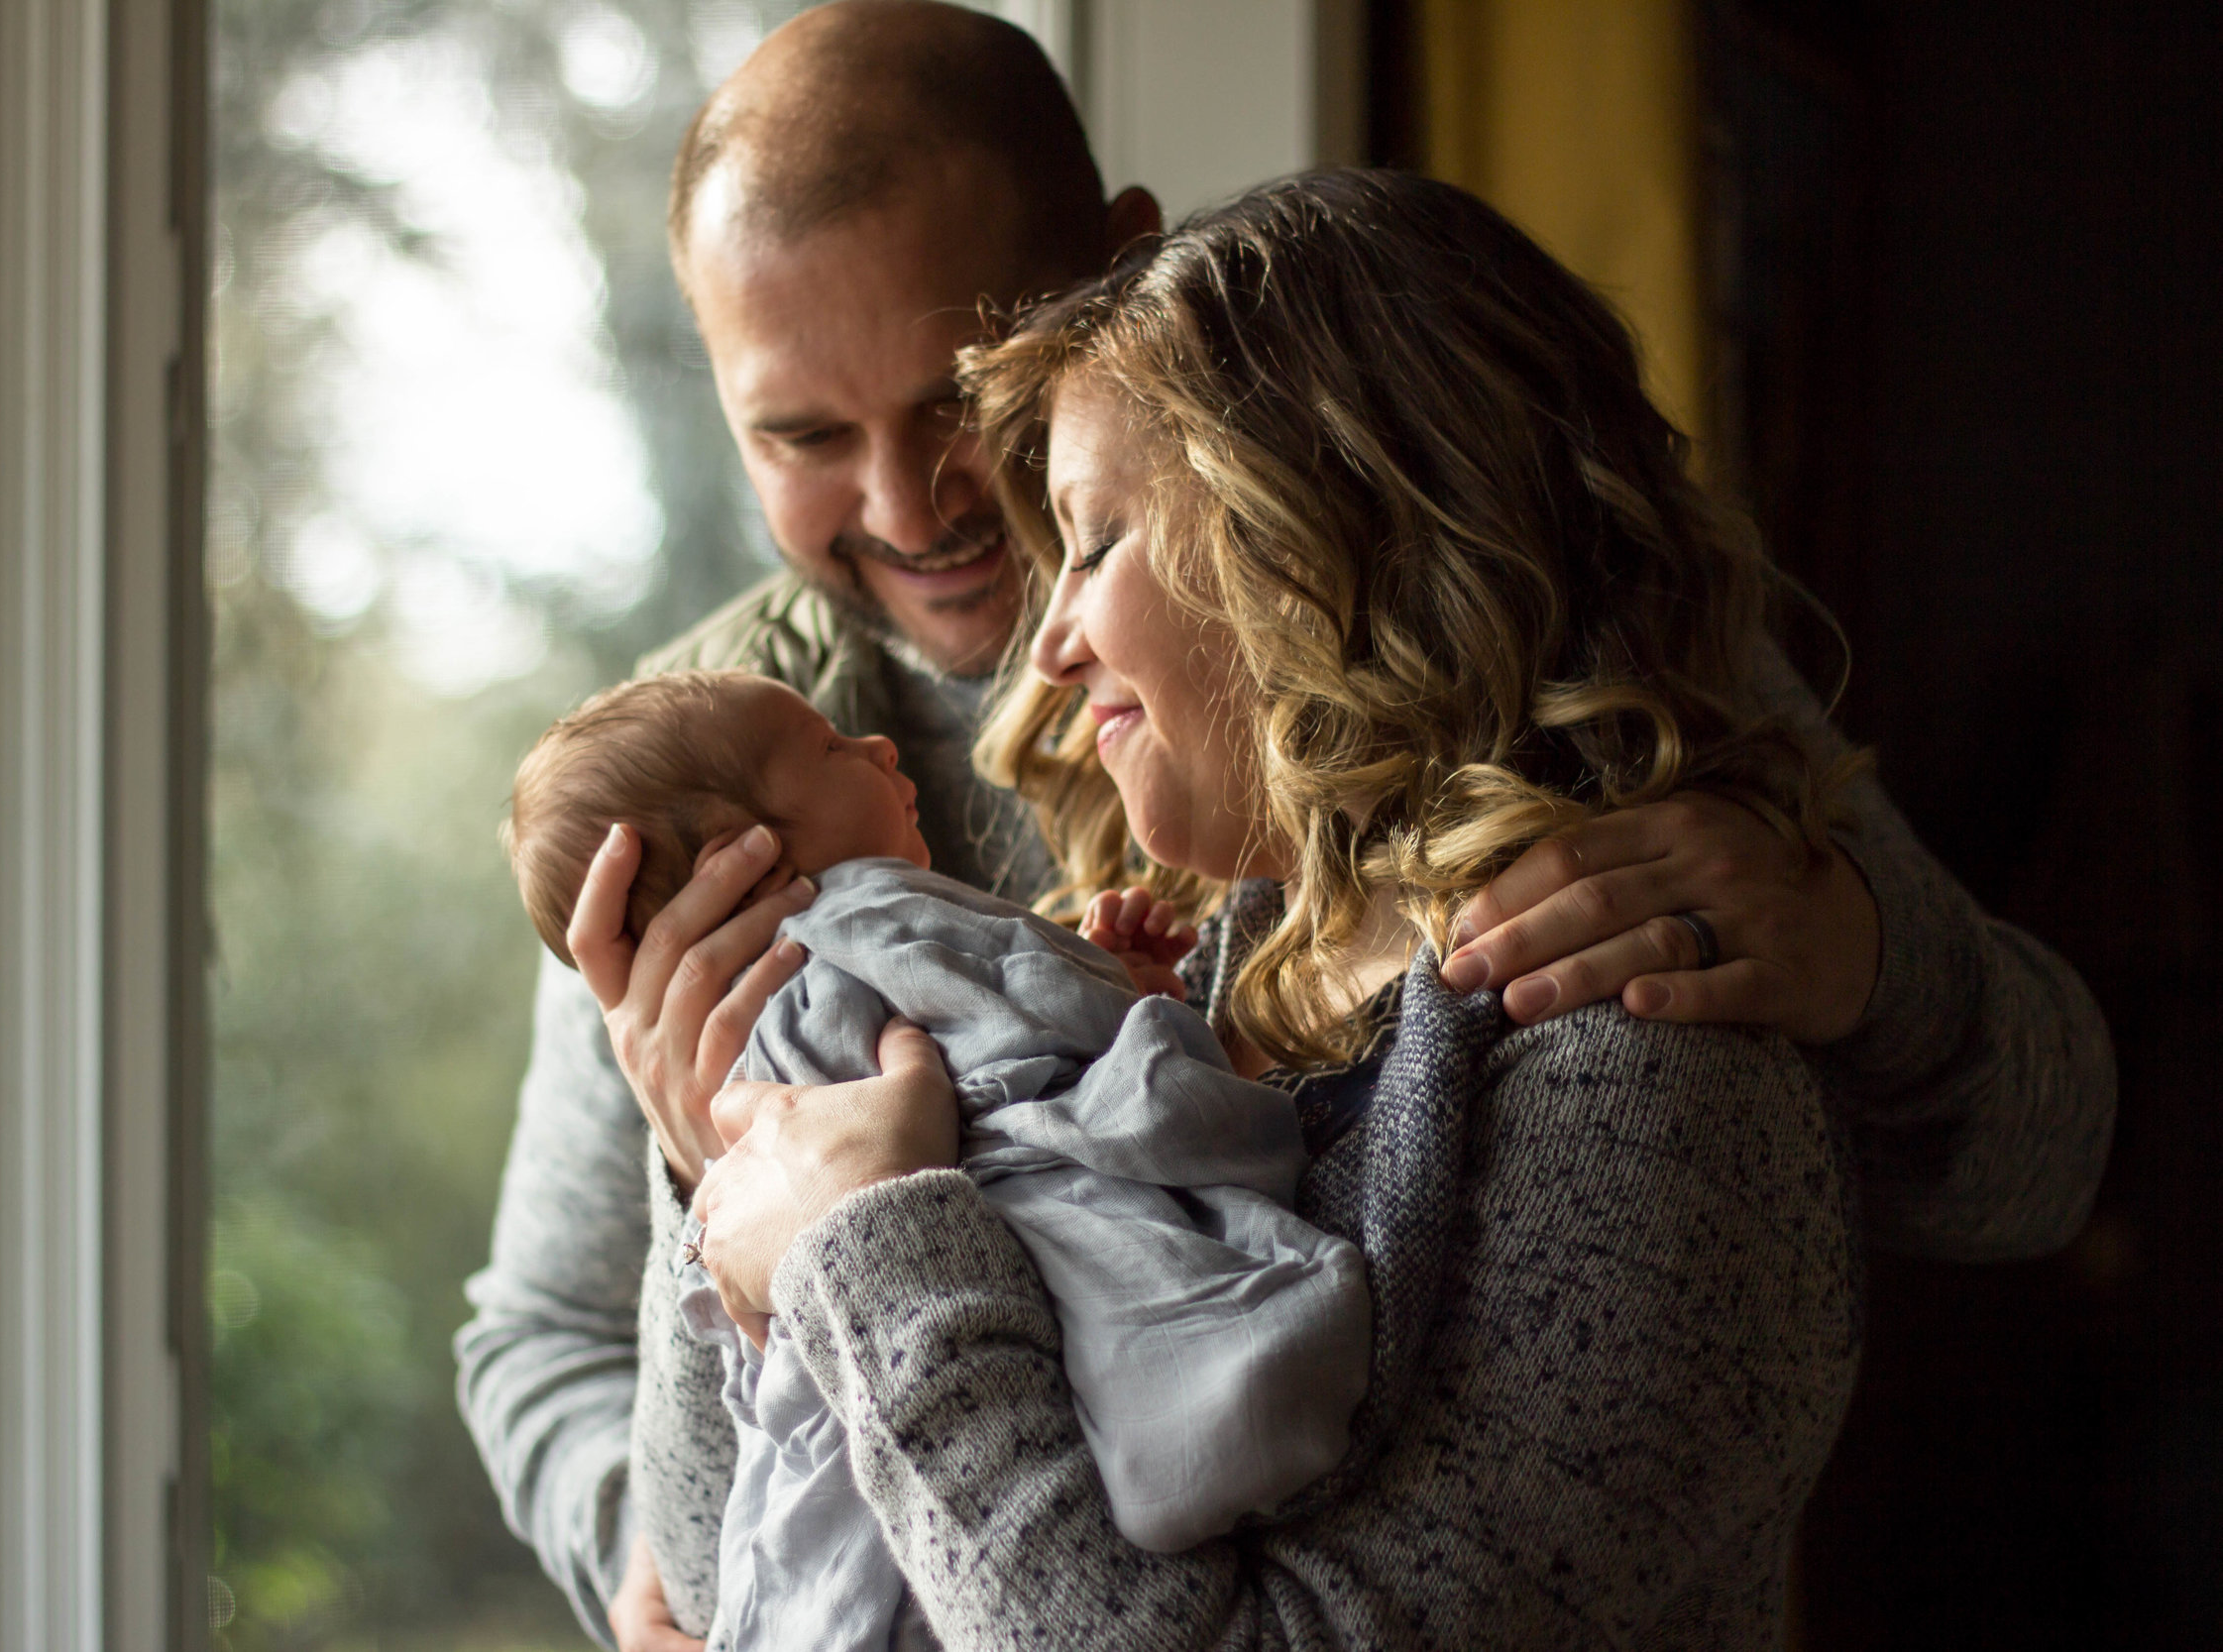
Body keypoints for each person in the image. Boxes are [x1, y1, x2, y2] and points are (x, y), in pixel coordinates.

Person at [452, 5, 2113, 1647]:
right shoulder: (690, 788)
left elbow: (2024, 1161)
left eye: (963, 401)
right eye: (803, 437)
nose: (908, 507)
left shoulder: (1532, 684)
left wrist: (1865, 957)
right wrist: (723, 1212)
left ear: (1111, 273)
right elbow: (574, 1363)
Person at [674, 166, 1887, 1645]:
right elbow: (725, 1573)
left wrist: (862, 1248)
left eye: (1097, 538)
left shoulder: (1645, 1079)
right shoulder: (1211, 973)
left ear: (1326, 537)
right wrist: (729, 1151)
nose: (1045, 646)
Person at [502, 668, 1368, 1651]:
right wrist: (1122, 990)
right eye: (831, 746)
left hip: (872, 1397)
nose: (875, 746)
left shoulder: (747, 1020)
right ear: (740, 855)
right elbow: (1042, 1007)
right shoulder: (870, 910)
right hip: (981, 1301)